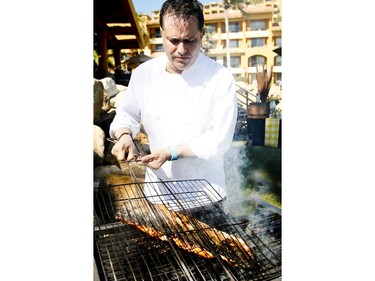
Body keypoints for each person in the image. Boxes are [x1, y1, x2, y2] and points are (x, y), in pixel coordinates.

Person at [109, 0, 237, 213]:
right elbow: (126, 113)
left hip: (205, 193)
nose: (182, 50)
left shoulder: (220, 77)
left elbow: (219, 139)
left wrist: (171, 153)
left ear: (202, 34)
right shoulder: (143, 73)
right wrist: (124, 136)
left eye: (190, 40)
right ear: (161, 33)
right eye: (173, 40)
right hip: (158, 193)